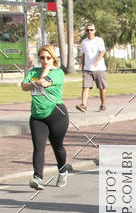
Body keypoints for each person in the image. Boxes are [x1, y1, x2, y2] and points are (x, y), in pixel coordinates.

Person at [21, 45, 69, 190]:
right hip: (37, 115)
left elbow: (43, 83)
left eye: (48, 57)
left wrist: (45, 70)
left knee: (57, 146)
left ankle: (62, 171)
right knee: (38, 147)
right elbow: (23, 86)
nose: (45, 60)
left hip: (57, 114)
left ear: (53, 58)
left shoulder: (58, 73)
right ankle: (38, 178)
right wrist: (34, 81)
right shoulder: (33, 71)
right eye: (42, 57)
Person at [77, 22, 107, 112]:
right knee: (85, 87)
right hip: (87, 69)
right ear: (85, 31)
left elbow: (102, 52)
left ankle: (103, 104)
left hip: (99, 69)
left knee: (102, 87)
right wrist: (82, 66)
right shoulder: (84, 42)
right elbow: (83, 54)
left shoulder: (99, 40)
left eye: (91, 30)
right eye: (87, 30)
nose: (89, 31)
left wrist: (97, 61)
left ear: (94, 31)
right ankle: (83, 105)